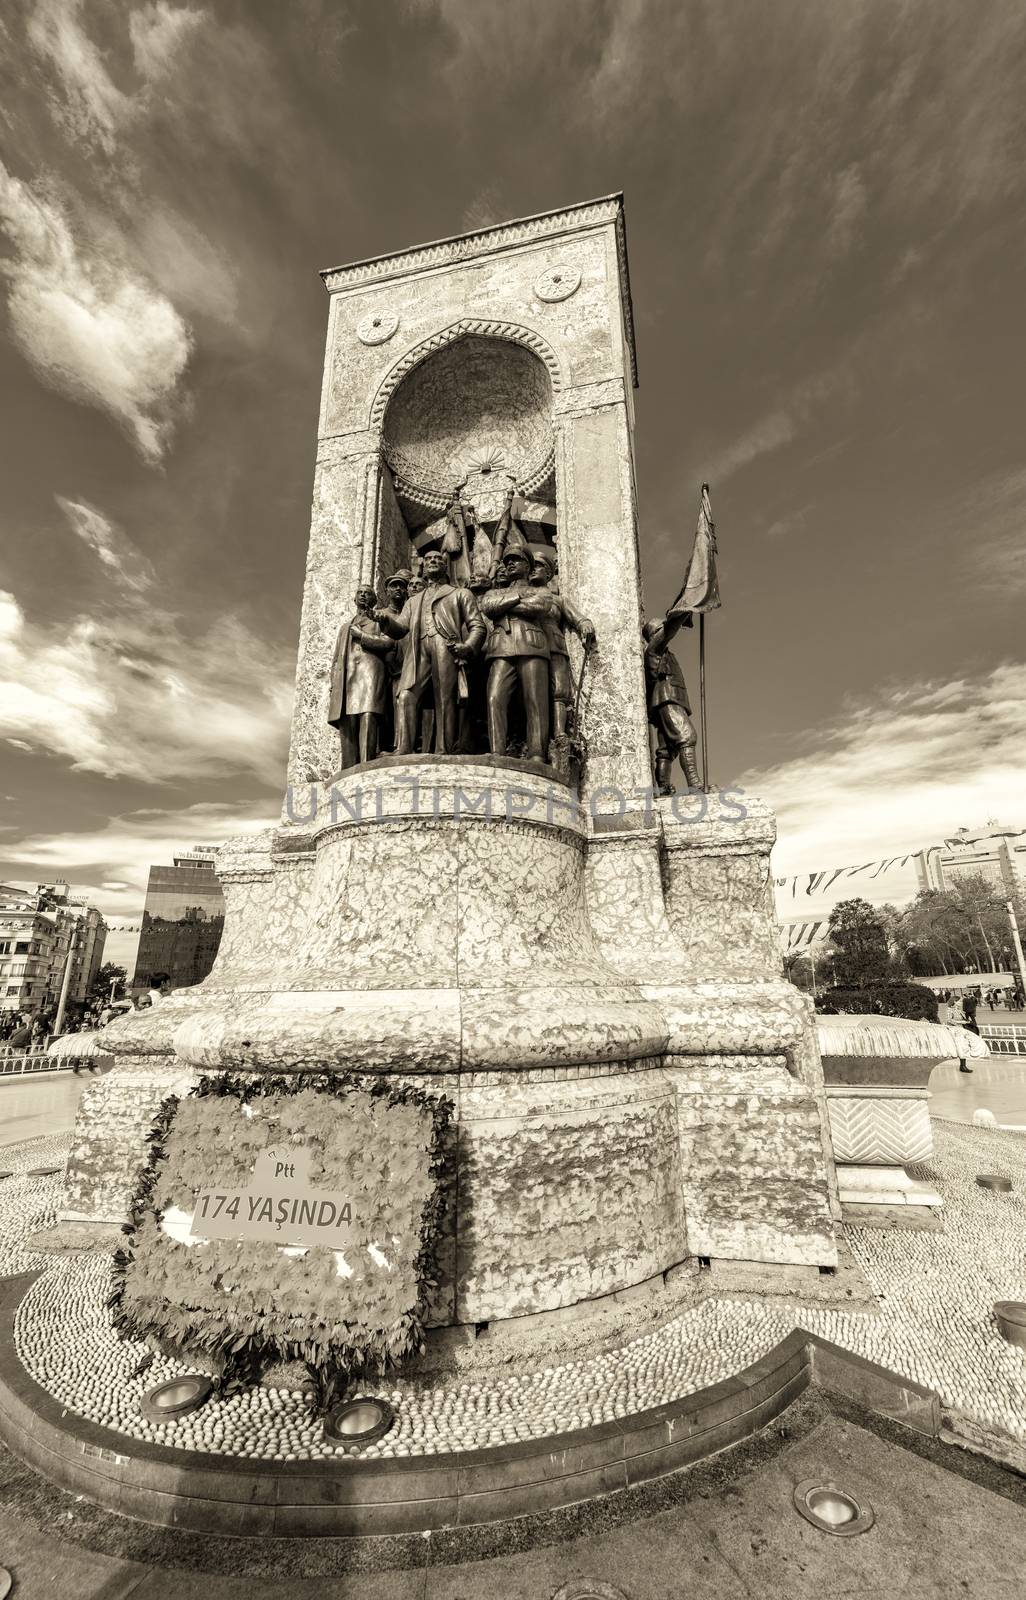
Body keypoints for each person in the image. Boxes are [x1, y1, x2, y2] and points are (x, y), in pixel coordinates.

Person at [380, 550, 486, 755]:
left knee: (444, 699)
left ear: (445, 567)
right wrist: (384, 622)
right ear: (424, 566)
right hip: (418, 649)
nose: (433, 561)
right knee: (406, 696)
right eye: (428, 559)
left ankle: (442, 749)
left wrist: (468, 647)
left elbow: (478, 626)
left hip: (445, 647)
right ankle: (404, 748)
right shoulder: (413, 601)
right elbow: (400, 628)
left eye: (438, 559)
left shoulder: (460, 594)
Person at [480, 548, 553, 760]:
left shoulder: (540, 590)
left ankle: (537, 753)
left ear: (528, 566)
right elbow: (489, 607)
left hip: (532, 646)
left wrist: (507, 605)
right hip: (501, 648)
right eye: (507, 561)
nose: (510, 564)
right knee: (495, 698)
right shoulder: (494, 592)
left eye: (516, 560)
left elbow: (540, 606)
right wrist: (517, 597)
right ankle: (497, 751)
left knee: (536, 701)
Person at [529, 553, 596, 743]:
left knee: (560, 689)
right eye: (532, 565)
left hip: (554, 645)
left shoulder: (558, 599)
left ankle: (560, 733)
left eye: (539, 565)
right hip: (530, 645)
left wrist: (585, 624)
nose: (534, 569)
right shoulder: (521, 594)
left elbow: (578, 617)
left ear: (549, 573)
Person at [327, 585, 396, 768]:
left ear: (374, 600)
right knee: (347, 722)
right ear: (355, 599)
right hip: (347, 678)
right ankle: (348, 769)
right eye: (360, 593)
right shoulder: (344, 627)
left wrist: (362, 635)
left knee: (368, 715)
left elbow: (388, 643)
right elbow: (336, 658)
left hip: (370, 674)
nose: (363, 595)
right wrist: (333, 683)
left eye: (368, 593)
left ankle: (366, 764)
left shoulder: (379, 620)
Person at [642, 605, 700, 793]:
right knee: (687, 737)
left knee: (667, 750)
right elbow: (670, 629)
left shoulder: (664, 653)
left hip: (668, 700)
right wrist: (685, 608)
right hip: (667, 700)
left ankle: (664, 788)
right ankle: (695, 785)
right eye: (661, 629)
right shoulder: (654, 649)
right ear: (655, 634)